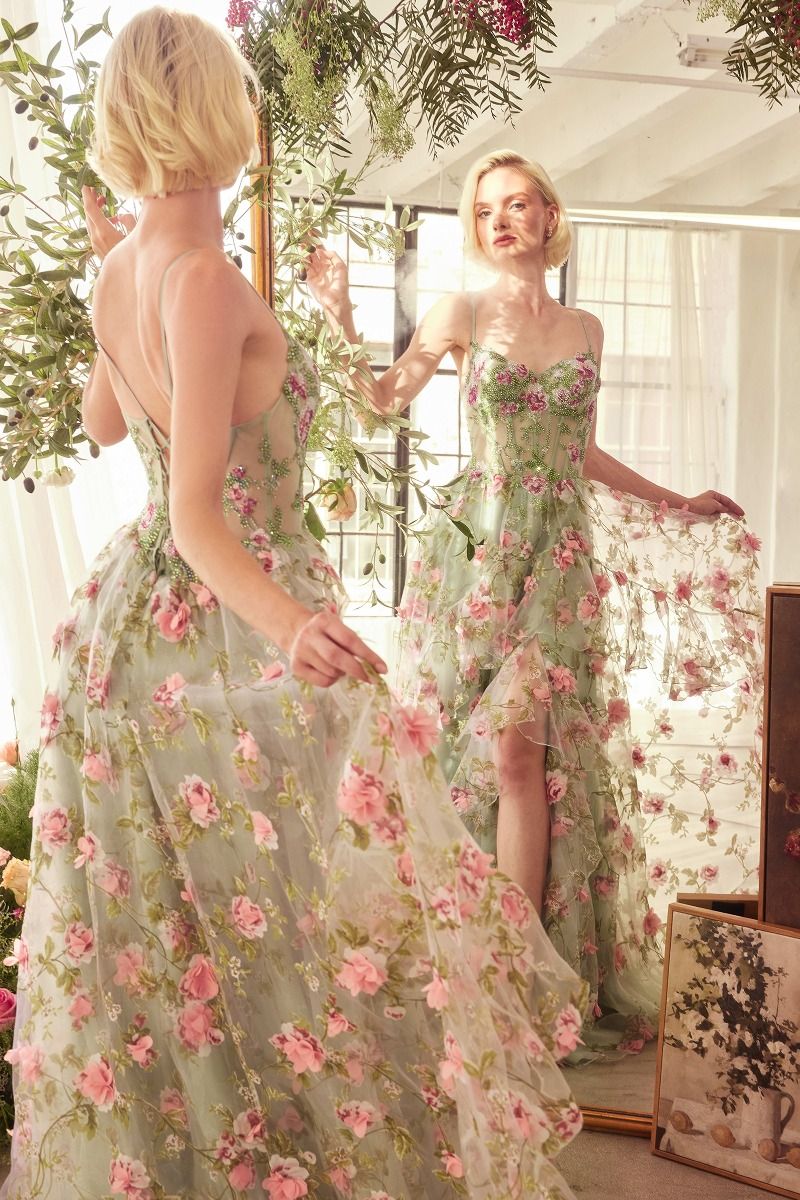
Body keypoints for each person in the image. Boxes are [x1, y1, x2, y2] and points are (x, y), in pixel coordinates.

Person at [2, 15, 589, 1200]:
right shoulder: (202, 279)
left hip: (129, 631)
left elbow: (105, 424)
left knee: (180, 938)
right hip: (220, 624)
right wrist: (293, 627)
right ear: (218, 110)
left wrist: (111, 279)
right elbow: (195, 514)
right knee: (288, 915)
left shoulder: (128, 268)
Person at [306, 150, 762, 1055]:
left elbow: (580, 452)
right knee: (478, 760)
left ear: (550, 215)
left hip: (557, 565)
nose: (502, 221)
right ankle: (480, 965)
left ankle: (517, 981)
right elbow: (380, 404)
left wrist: (677, 501)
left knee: (524, 757)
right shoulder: (463, 312)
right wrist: (341, 315)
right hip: (480, 562)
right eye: (486, 211)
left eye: (518, 205)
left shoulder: (587, 328)